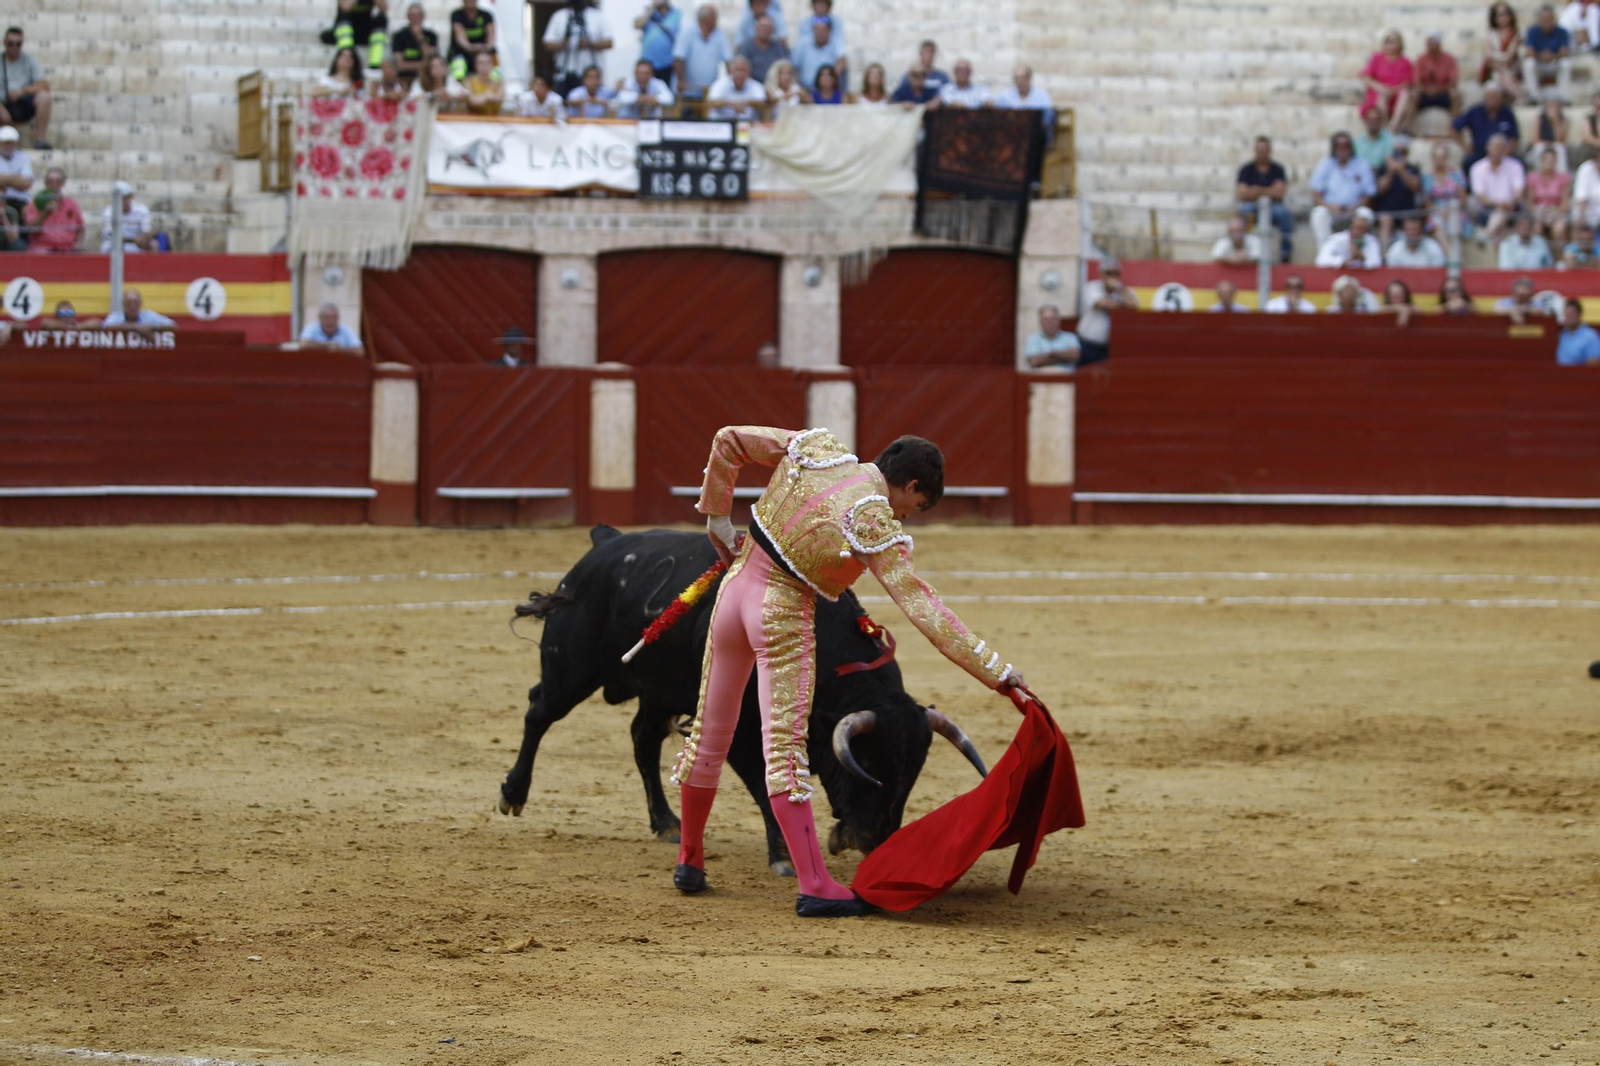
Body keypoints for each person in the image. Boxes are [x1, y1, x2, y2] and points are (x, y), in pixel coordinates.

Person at [671, 427, 1026, 917]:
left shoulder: (818, 448)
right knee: (785, 750)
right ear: (913, 486)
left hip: (732, 595)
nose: (907, 517)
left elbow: (729, 439)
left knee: (710, 736)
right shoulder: (873, 519)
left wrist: (717, 518)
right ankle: (815, 883)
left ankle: (690, 860)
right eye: (915, 508)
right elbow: (922, 606)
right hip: (780, 613)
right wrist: (996, 671)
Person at [1309, 130, 1376, 247]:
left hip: (1354, 210)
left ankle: (1360, 252)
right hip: (1331, 210)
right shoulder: (1325, 165)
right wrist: (1330, 207)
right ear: (1334, 148)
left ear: (1351, 147)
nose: (1342, 148)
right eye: (1338, 145)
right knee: (1318, 214)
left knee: (1366, 214)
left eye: (1345, 145)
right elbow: (1316, 194)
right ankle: (1325, 255)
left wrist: (1354, 207)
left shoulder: (1362, 165)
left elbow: (1369, 194)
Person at [1234, 136, 1292, 264]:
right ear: (1255, 151)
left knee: (1285, 214)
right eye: (1259, 150)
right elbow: (1241, 193)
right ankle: (1243, 250)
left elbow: (1280, 193)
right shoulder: (1246, 169)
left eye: (1264, 150)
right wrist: (1269, 191)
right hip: (1252, 207)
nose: (1262, 153)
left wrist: (1256, 190)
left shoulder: (1277, 169)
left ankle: (1285, 252)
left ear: (1269, 151)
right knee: (1243, 211)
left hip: (1274, 207)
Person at [544, 0, 614, 96]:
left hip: (590, 74)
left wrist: (589, 44)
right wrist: (564, 44)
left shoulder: (597, 16)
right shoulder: (559, 16)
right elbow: (547, 43)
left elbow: (609, 42)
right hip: (564, 73)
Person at [1076, 258, 1136, 364]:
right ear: (1101, 274)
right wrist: (1122, 305)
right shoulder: (1091, 287)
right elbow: (1103, 303)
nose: (1112, 277)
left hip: (1113, 347)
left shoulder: (1124, 291)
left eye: (1115, 273)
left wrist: (1118, 288)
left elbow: (1133, 306)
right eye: (1108, 273)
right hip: (1088, 344)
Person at [0, 27, 51, 149]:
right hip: (2, 105)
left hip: (22, 104)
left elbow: (44, 84)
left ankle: (40, 139)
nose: (14, 46)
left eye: (18, 43)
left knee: (45, 97)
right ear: (4, 42)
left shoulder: (29, 61)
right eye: (11, 43)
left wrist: (22, 91)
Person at [1470, 133, 1526, 242]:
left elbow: (1519, 191)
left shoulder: (1515, 166)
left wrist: (1511, 203)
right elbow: (1480, 195)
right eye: (1494, 147)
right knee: (1500, 214)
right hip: (1487, 210)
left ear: (1506, 150)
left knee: (1503, 214)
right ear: (1488, 148)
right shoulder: (1477, 168)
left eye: (1500, 148)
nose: (1497, 151)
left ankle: (1488, 235)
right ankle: (1491, 234)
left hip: (1512, 208)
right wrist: (1498, 204)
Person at [1455, 83, 1521, 176]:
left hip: (1503, 154)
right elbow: (1455, 127)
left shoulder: (1507, 113)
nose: (1491, 100)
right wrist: (1465, 147)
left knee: (1520, 163)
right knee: (1467, 163)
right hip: (1480, 153)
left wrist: (1506, 152)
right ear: (1484, 98)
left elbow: (1514, 137)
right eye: (1489, 97)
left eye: (1494, 97)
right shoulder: (1475, 111)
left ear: (1500, 98)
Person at [1360, 28, 1416, 133]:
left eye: (1394, 42)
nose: (1391, 45)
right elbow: (1366, 77)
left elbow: (1407, 83)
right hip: (1379, 93)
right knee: (1382, 95)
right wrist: (1380, 87)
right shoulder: (1376, 58)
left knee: (1405, 94)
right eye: (1388, 42)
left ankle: (1393, 126)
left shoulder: (1405, 62)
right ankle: (1383, 126)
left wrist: (1393, 90)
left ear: (1400, 44)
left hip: (1397, 95)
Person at [1371, 137, 1423, 248]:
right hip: (1387, 211)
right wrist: (1390, 173)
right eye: (1396, 152)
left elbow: (1415, 186)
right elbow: (1379, 189)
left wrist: (1401, 171)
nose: (1398, 156)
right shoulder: (1383, 168)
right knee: (1386, 220)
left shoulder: (1413, 168)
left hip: (1407, 212)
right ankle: (1384, 257)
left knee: (1412, 223)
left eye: (1402, 152)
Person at [674, 4, 731, 101]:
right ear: (705, 19)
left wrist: (728, 84)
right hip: (688, 90)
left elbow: (728, 60)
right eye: (714, 17)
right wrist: (681, 80)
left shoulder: (720, 35)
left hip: (710, 91)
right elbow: (679, 58)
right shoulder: (688, 32)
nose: (717, 20)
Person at [1423, 140, 1469, 255]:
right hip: (1437, 210)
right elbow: (1426, 200)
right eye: (1437, 157)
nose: (1440, 161)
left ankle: (1453, 256)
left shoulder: (1456, 174)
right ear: (1433, 159)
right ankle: (1451, 256)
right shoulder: (1428, 176)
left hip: (1455, 209)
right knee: (1437, 225)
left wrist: (1452, 210)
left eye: (1443, 157)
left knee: (1456, 223)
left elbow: (1463, 197)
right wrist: (1439, 210)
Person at [23, 167, 83, 253]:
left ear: (63, 183)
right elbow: (31, 231)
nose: (54, 184)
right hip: (43, 247)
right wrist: (45, 213)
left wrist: (78, 244)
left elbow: (81, 227)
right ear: (45, 183)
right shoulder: (35, 203)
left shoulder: (71, 203)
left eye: (58, 181)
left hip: (67, 248)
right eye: (50, 181)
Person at [1523, 4, 1573, 103]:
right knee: (1529, 64)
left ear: (1554, 19)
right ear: (1539, 19)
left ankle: (1564, 97)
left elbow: (1565, 51)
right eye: (1544, 19)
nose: (1547, 22)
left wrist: (1553, 56)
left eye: (1549, 19)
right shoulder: (1532, 31)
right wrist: (1541, 56)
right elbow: (1529, 51)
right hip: (1539, 63)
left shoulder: (1562, 32)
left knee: (1566, 63)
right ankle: (1533, 97)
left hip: (1555, 62)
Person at [321, 0, 389, 69]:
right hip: (346, 31)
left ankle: (375, 63)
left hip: (364, 30)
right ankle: (347, 53)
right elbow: (344, 7)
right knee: (343, 16)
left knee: (382, 20)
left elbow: (384, 9)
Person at [1526, 146, 1572, 245]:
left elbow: (1565, 203)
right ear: (1541, 161)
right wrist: (1540, 212)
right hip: (1538, 212)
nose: (1550, 163)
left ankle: (1561, 258)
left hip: (1557, 212)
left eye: (1552, 160)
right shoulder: (1532, 178)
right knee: (1537, 228)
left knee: (1559, 229)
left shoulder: (1563, 178)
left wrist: (1554, 212)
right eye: (1547, 160)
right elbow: (1530, 202)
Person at [791, 14, 844, 93]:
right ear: (813, 30)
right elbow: (793, 66)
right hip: (805, 90)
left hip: (827, 91)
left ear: (829, 31)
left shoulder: (836, 43)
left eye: (824, 30)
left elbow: (842, 60)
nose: (820, 33)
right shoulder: (803, 44)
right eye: (817, 30)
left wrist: (830, 81)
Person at [1315, 206, 1383, 269]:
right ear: (1351, 225)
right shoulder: (1336, 239)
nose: (1359, 231)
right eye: (1357, 227)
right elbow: (1321, 260)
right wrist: (1344, 262)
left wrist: (1361, 257)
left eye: (1364, 228)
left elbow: (1376, 263)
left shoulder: (1371, 241)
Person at [1482, 1, 1524, 99]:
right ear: (1494, 17)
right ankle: (1521, 97)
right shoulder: (1489, 34)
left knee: (1503, 75)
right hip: (1495, 70)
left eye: (1506, 14)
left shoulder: (1516, 34)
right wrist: (1499, 64)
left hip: (1511, 68)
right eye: (1500, 15)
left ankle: (1521, 98)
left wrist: (1498, 61)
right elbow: (1488, 57)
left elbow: (1510, 56)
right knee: (1500, 75)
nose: (1504, 18)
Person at [1416, 30, 1461, 118]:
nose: (1431, 45)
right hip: (1425, 93)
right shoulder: (1421, 59)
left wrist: (1440, 89)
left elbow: (1453, 80)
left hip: (1443, 93)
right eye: (1429, 43)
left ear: (1439, 44)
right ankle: (1407, 127)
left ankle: (1454, 125)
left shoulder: (1449, 59)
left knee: (1455, 94)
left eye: (1433, 42)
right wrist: (1426, 90)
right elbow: (1416, 80)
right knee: (1413, 95)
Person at [390, 3, 439, 86]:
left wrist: (420, 38)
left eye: (418, 15)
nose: (415, 18)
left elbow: (430, 60)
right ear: (408, 17)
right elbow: (400, 65)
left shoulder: (431, 36)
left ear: (423, 17)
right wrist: (423, 65)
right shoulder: (399, 36)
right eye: (413, 15)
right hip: (404, 78)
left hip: (425, 79)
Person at [635, 0, 682, 84]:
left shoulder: (677, 14)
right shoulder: (649, 15)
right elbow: (637, 25)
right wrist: (650, 10)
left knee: (664, 93)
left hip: (666, 64)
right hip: (647, 64)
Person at [448, 0, 496, 82]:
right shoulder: (457, 15)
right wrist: (471, 48)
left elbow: (491, 37)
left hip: (483, 50)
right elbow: (460, 37)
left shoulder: (486, 15)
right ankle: (459, 86)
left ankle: (494, 87)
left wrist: (485, 48)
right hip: (463, 51)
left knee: (492, 64)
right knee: (459, 64)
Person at [0, 124, 32, 247]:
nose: (8, 146)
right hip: (2, 198)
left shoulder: (23, 157)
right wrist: (15, 178)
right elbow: (22, 182)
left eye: (11, 142)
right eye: (5, 142)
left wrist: (4, 180)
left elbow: (26, 183)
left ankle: (25, 243)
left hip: (20, 200)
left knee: (27, 212)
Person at [1022, 304, 1080, 369]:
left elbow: (1075, 356)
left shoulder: (1070, 337)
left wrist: (1050, 353)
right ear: (1040, 322)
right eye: (1046, 319)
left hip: (1066, 377)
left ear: (1058, 320)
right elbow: (1035, 361)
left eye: (1053, 318)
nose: (1049, 322)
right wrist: (1065, 357)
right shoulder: (1032, 339)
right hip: (1040, 378)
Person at [100, 182, 152, 253]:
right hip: (112, 244)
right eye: (118, 197)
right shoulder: (109, 212)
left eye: (124, 197)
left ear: (131, 196)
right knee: (108, 248)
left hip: (135, 245)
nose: (122, 200)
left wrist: (143, 238)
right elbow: (111, 234)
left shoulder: (142, 210)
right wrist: (133, 240)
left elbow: (146, 230)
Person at [736, 14, 788, 83]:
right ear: (756, 29)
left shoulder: (779, 48)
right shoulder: (746, 47)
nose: (765, 30)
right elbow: (741, 69)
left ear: (773, 31)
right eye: (763, 27)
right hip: (752, 85)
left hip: (775, 86)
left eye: (768, 28)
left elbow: (785, 68)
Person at [101, 288, 175, 333]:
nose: (132, 306)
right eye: (129, 303)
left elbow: (172, 326)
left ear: (140, 304)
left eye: (135, 302)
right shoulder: (117, 316)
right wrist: (137, 328)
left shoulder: (148, 316)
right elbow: (107, 326)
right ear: (123, 304)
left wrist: (153, 327)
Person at [1556, 296, 1600, 362]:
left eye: (1571, 314)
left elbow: (1593, 365)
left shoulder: (1590, 336)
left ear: (1579, 315)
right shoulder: (1563, 334)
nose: (1568, 317)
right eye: (1566, 314)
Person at [1353, 104, 1395, 172]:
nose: (1373, 122)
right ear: (1366, 121)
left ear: (1381, 121)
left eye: (1376, 119)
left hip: (1379, 173)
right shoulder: (1359, 141)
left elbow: (1388, 160)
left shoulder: (1388, 139)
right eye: (1370, 119)